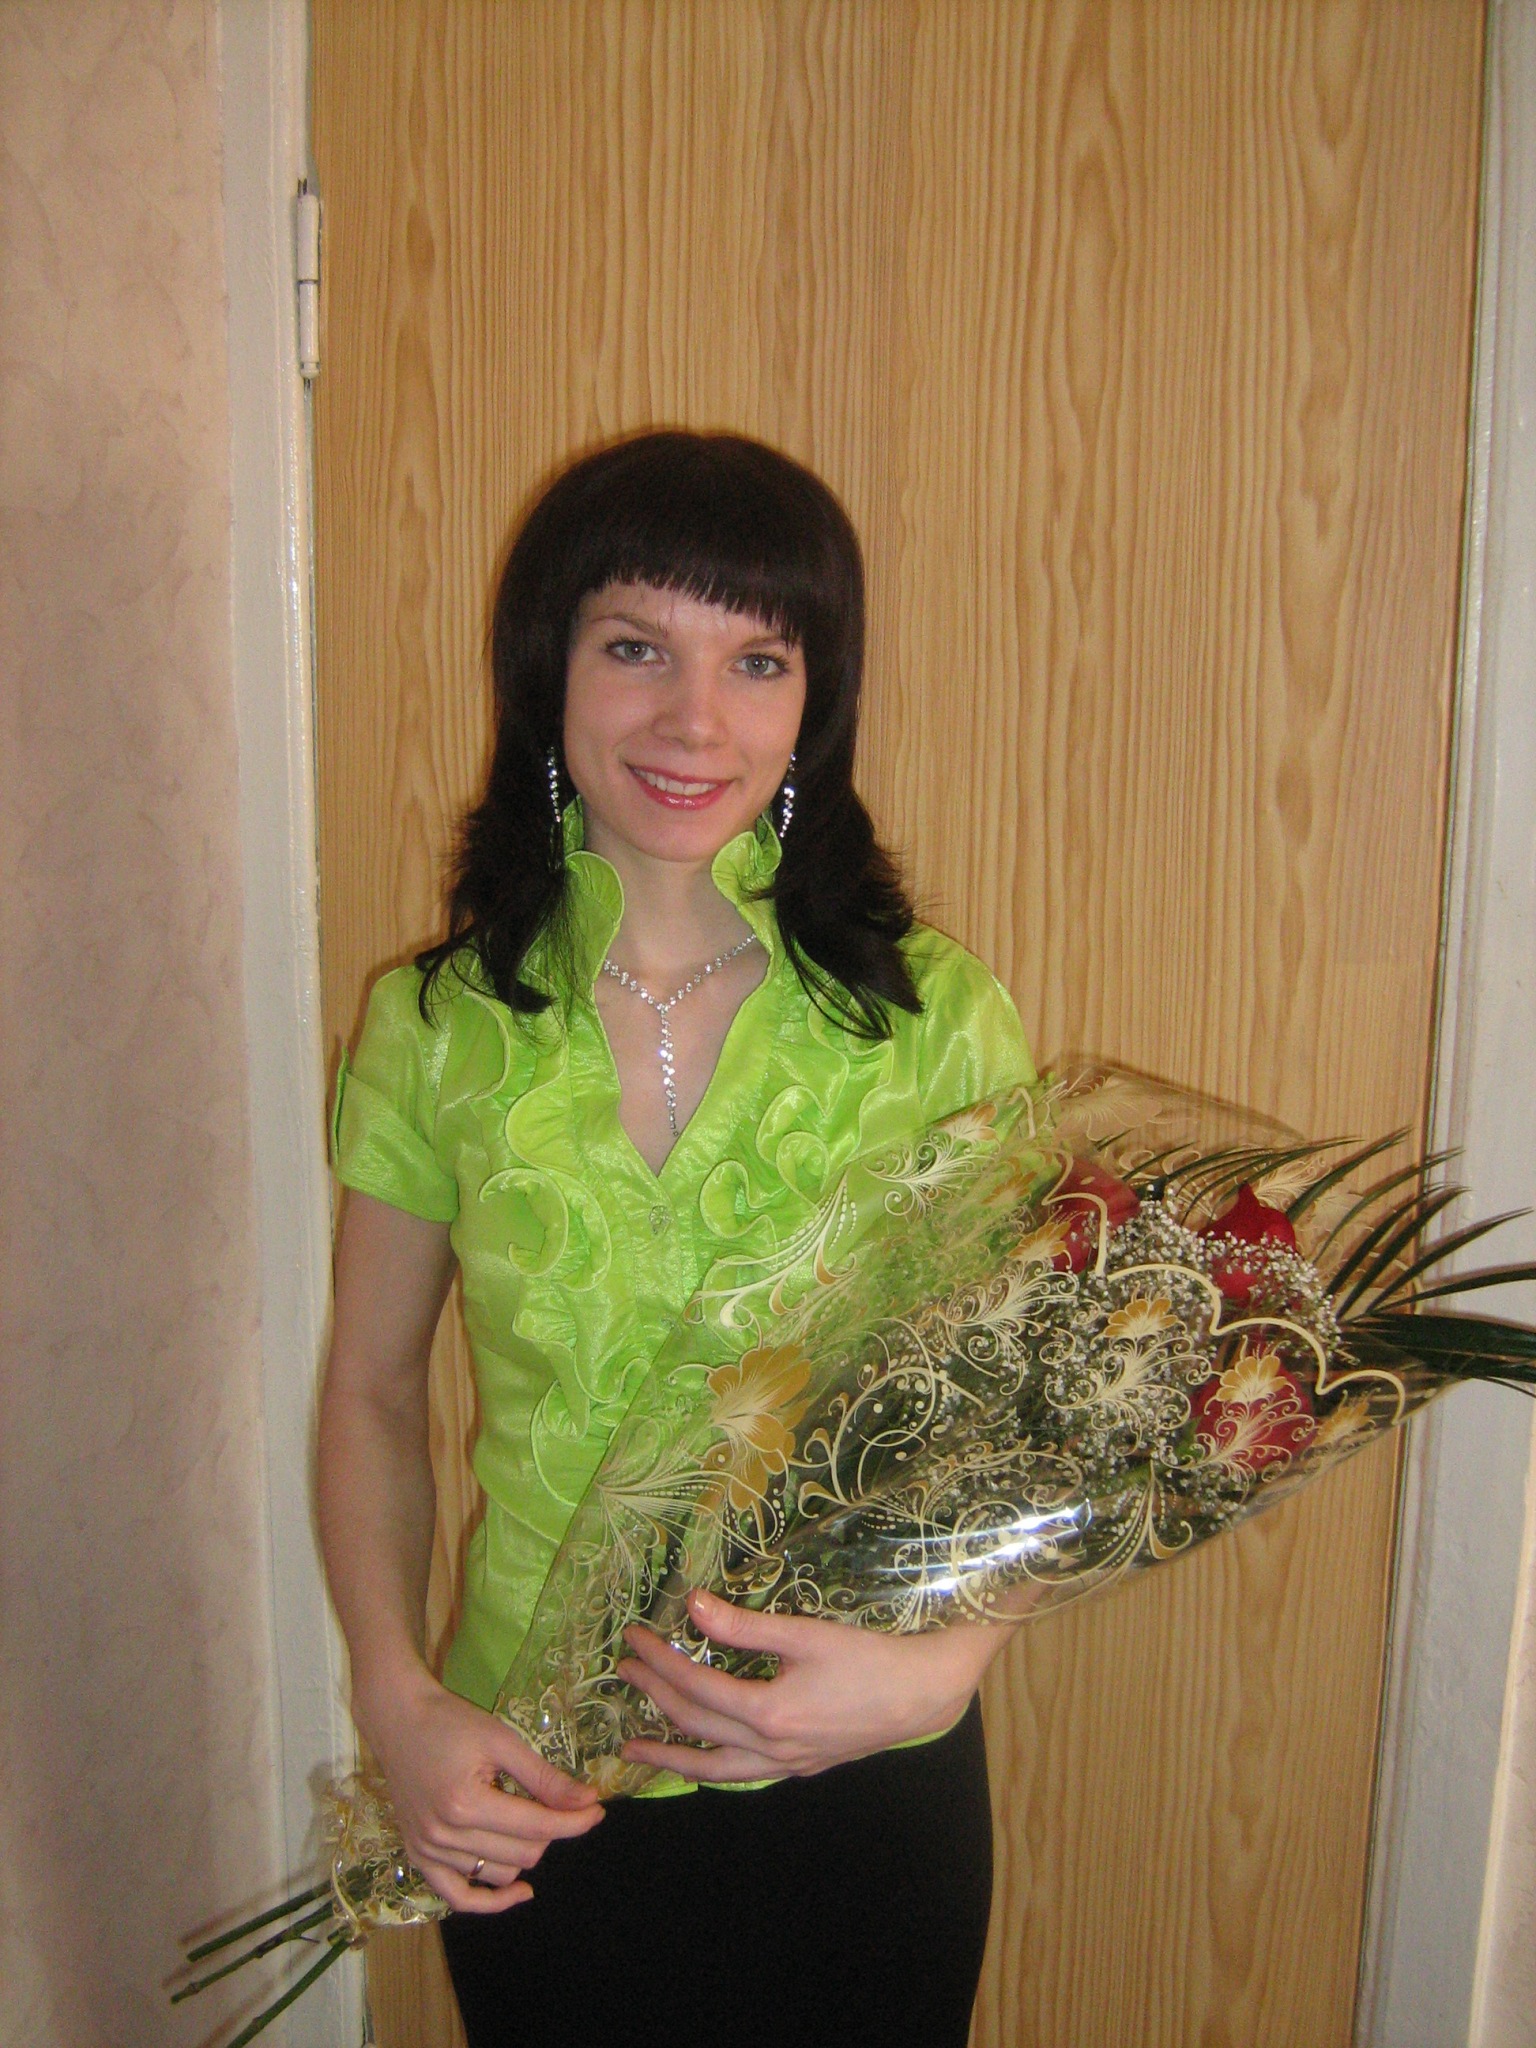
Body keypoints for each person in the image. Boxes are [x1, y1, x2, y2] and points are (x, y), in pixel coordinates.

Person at [318, 431, 1037, 2048]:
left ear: (814, 701)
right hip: (532, 1771)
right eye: (636, 647)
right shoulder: (433, 1028)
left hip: (856, 1755)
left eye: (757, 661)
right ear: (548, 669)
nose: (693, 720)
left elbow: (1019, 1401)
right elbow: (369, 1389)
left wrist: (947, 1668)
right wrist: (395, 1695)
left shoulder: (932, 1019)